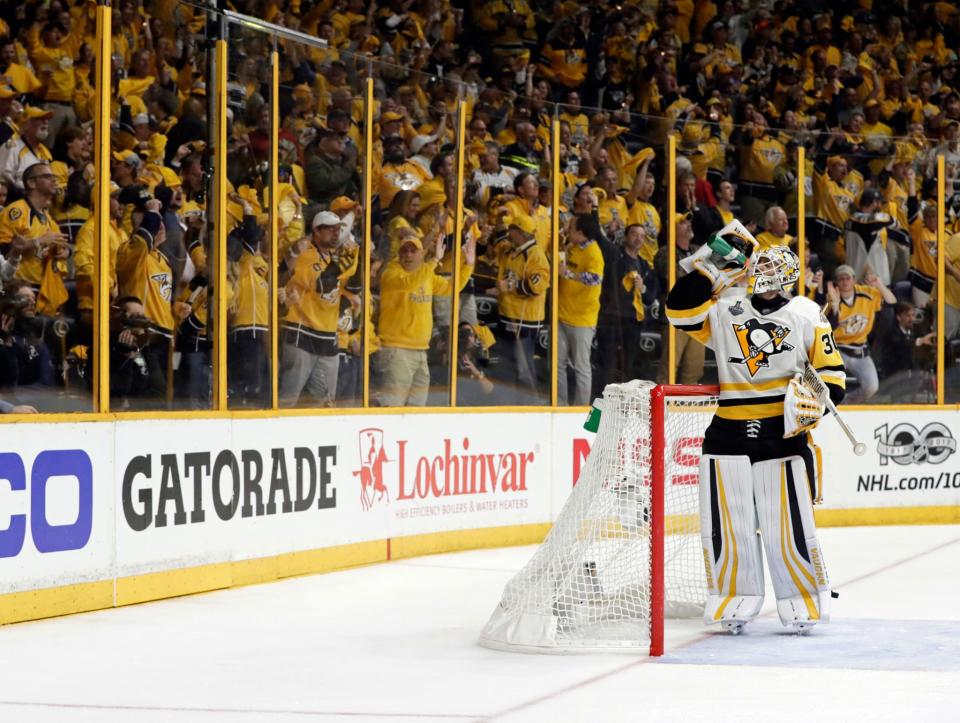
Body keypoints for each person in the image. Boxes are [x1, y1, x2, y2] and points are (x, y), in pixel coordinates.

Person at [666, 231, 845, 635]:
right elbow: (678, 310)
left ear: (786, 277)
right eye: (758, 264)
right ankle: (733, 598)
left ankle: (801, 600)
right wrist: (712, 265)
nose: (760, 271)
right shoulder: (727, 307)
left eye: (769, 266)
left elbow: (833, 377)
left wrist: (814, 403)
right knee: (728, 522)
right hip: (727, 432)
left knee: (787, 524)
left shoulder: (806, 313)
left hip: (780, 435)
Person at [376, 231, 475, 406]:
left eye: (413, 251)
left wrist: (468, 265)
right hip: (397, 350)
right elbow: (410, 283)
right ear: (398, 254)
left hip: (420, 350)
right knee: (392, 406)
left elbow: (449, 288)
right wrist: (434, 261)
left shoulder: (426, 274)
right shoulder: (391, 273)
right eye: (404, 251)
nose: (408, 254)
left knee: (417, 408)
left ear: (421, 254)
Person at [279, 211, 358, 407]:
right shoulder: (305, 253)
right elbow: (322, 284)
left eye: (338, 229)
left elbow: (355, 287)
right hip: (301, 333)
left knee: (324, 403)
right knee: (288, 399)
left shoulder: (333, 257)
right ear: (316, 230)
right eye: (330, 229)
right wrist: (338, 265)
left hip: (328, 336)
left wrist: (358, 257)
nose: (336, 233)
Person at [489, 214, 550, 404]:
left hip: (525, 320)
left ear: (519, 232)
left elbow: (537, 285)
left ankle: (532, 405)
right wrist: (498, 223)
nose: (508, 233)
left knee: (523, 368)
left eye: (511, 230)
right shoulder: (511, 249)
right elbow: (499, 244)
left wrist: (510, 286)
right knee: (509, 365)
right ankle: (513, 403)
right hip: (507, 316)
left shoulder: (536, 255)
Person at [826, 264, 895, 403]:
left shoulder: (867, 293)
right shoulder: (832, 296)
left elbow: (892, 301)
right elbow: (829, 328)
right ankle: (832, 406)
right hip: (837, 350)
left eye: (848, 278)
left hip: (860, 349)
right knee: (830, 385)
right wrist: (834, 306)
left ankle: (846, 404)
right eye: (841, 279)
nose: (845, 282)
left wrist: (879, 284)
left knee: (872, 387)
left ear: (854, 280)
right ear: (837, 282)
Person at [557, 214, 603, 405]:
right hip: (562, 314)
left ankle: (580, 409)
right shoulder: (572, 246)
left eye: (572, 225)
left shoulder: (594, 252)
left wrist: (568, 273)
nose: (568, 227)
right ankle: (560, 404)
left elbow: (595, 278)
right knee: (558, 365)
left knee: (581, 367)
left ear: (581, 232)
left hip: (582, 319)